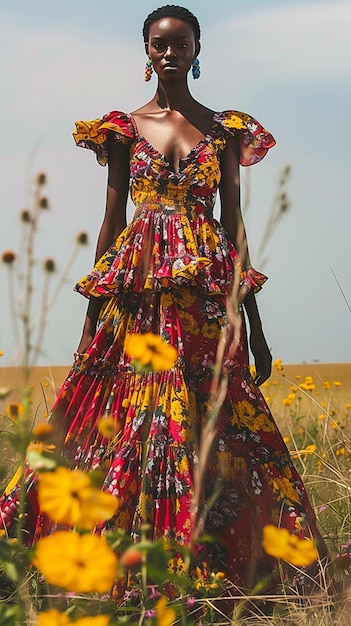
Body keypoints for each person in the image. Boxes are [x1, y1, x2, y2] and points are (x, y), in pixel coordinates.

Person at [1, 3, 328, 598]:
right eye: (160, 43)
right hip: (139, 295)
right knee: (125, 422)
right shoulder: (122, 129)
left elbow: (234, 228)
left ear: (199, 51)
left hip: (205, 301)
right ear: (146, 51)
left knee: (221, 427)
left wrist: (254, 325)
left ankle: (222, 576)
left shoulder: (226, 129)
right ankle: (97, 566)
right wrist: (88, 318)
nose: (170, 52)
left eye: (181, 43)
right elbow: (110, 222)